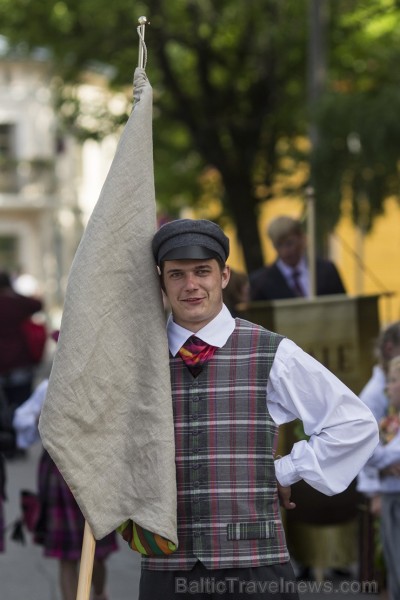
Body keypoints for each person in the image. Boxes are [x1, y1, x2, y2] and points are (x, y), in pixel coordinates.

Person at [136, 218, 378, 600]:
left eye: (202, 271)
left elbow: (354, 423)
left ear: (224, 275)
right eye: (177, 274)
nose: (191, 285)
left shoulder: (272, 352)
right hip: (168, 565)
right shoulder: (139, 359)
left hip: (255, 565)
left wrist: (283, 470)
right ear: (161, 281)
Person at [13, 373, 118, 600]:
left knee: (98, 553)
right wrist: (38, 419)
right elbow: (21, 418)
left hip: (94, 470)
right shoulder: (48, 387)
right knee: (67, 555)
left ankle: (99, 593)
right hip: (59, 474)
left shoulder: (101, 381)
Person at [358, 356, 400, 600]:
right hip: (390, 496)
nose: (387, 387)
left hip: (396, 499)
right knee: (394, 568)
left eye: (393, 381)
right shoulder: (392, 423)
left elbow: (377, 454)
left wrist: (372, 455)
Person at [249, 216, 346, 301]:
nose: (285, 251)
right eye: (279, 245)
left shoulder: (327, 271)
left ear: (301, 238)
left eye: (289, 243)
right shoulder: (260, 283)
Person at [0, 270, 44, 414]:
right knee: (25, 406)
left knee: (6, 407)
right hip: (20, 362)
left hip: (2, 365)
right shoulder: (16, 302)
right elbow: (38, 304)